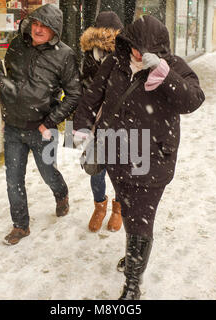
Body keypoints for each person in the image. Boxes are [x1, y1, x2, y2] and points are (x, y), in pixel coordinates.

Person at [73, 15, 205, 299]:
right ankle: (134, 256)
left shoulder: (175, 66)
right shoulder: (115, 63)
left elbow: (193, 100)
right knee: (131, 213)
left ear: (159, 48)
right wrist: (82, 127)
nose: (139, 53)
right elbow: (91, 96)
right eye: (134, 45)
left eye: (146, 49)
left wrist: (164, 73)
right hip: (116, 156)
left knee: (141, 220)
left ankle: (133, 283)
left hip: (153, 160)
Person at [0, 4, 82, 245]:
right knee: (13, 179)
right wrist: (2, 84)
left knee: (48, 173)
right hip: (13, 127)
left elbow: (74, 94)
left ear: (55, 29)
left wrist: (50, 122)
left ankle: (61, 193)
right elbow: (1, 73)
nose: (38, 29)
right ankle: (20, 226)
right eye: (35, 23)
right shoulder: (16, 45)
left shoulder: (65, 55)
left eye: (44, 25)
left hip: (43, 130)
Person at [79, 11, 124, 233]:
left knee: (121, 169)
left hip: (122, 124)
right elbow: (81, 89)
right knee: (96, 168)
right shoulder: (88, 56)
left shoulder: (126, 56)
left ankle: (118, 209)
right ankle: (99, 207)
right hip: (95, 124)